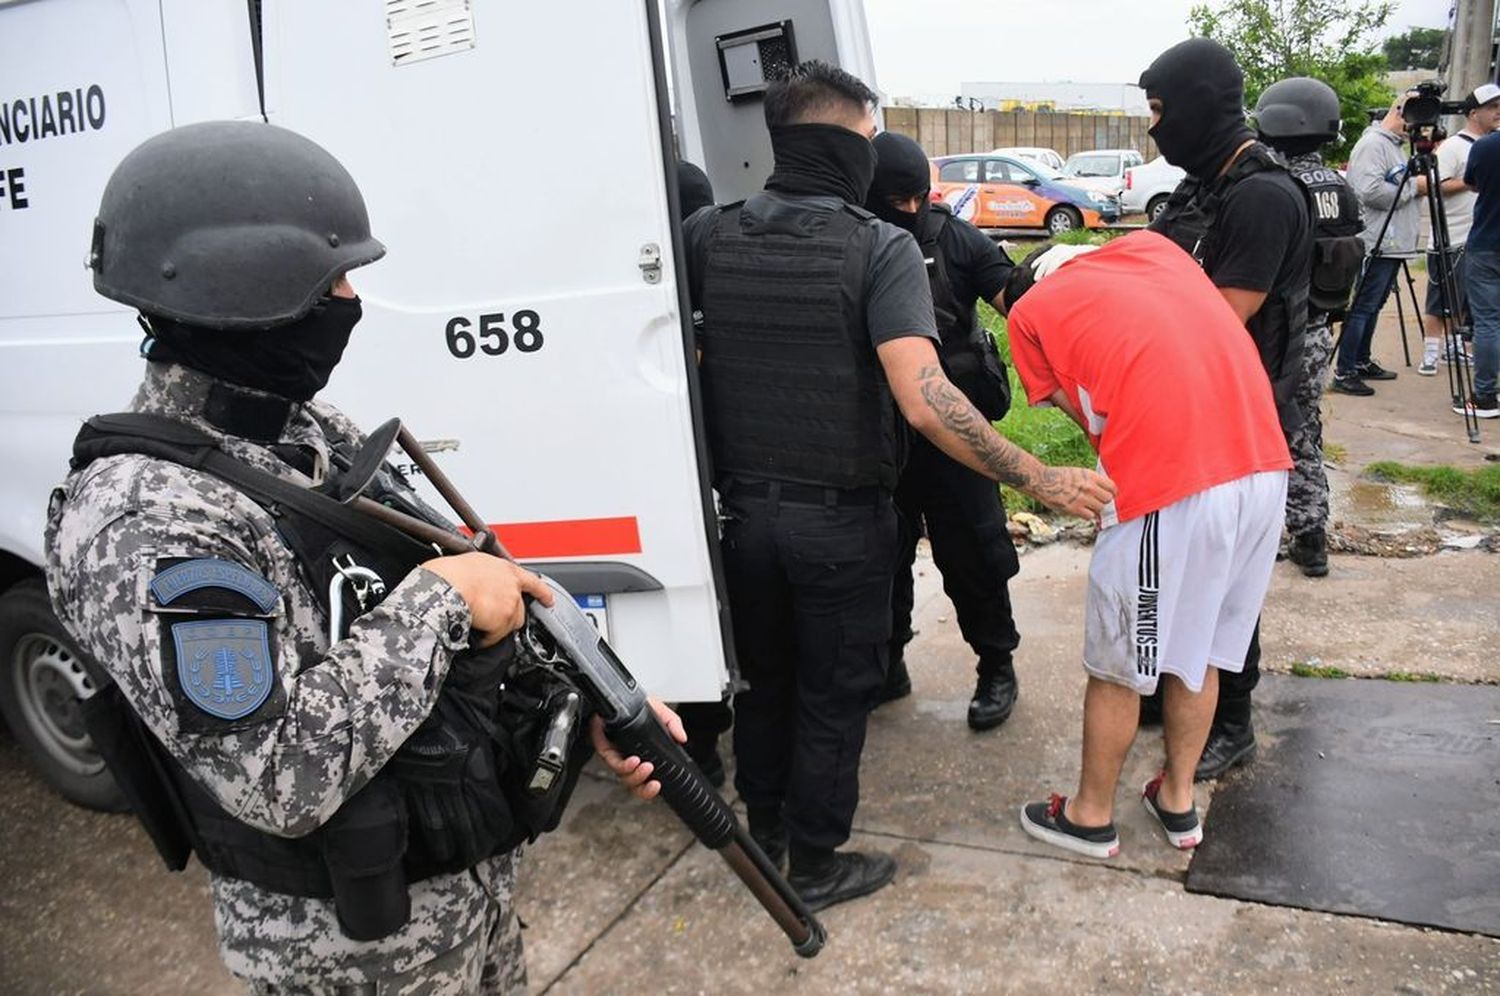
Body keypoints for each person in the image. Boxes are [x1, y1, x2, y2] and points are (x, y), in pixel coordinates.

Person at [44, 120, 682, 995]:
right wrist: (441, 604)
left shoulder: (306, 432)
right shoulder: (145, 517)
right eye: (332, 277)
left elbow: (484, 582)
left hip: (466, 899)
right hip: (349, 955)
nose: (350, 298)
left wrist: (595, 694)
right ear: (248, 287)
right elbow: (278, 774)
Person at [681, 61, 1114, 911]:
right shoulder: (876, 246)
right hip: (837, 526)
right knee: (833, 694)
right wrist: (1040, 475)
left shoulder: (707, 234)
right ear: (847, 144)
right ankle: (813, 862)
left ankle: (762, 830)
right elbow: (925, 400)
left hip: (740, 521)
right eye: (870, 137)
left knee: (765, 683)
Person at [1004, 232, 1292, 858]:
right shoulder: (1156, 249)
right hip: (1264, 466)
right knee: (1202, 648)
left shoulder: (1028, 313)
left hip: (1173, 484)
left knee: (1120, 664)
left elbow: (1085, 419)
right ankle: (1178, 802)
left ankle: (1088, 817)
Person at [1140, 38, 1312, 780]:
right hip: (1188, 411)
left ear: (1199, 105)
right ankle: (1172, 687)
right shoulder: (1202, 186)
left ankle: (1231, 718)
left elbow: (1219, 317)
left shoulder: (1262, 196)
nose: (1153, 127)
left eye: (1158, 110)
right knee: (1176, 562)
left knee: (1226, 581)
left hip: (1244, 421)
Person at [863, 130, 1022, 731]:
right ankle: (887, 666)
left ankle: (996, 665)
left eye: (918, 198)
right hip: (882, 438)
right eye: (895, 200)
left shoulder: (954, 237)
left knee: (977, 557)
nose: (909, 211)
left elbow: (1012, 294)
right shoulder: (859, 242)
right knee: (880, 562)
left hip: (955, 434)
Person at [1254, 77, 1366, 578]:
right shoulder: (1341, 189)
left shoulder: (1271, 188)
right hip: (1319, 333)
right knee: (1305, 427)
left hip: (1273, 335)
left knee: (1267, 432)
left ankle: (1282, 532)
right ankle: (1311, 532)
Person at [1335, 95, 1429, 396]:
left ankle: (1361, 361)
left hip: (1392, 242)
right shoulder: (1374, 144)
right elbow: (1368, 191)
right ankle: (1345, 370)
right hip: (1377, 240)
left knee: (1373, 305)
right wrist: (1416, 187)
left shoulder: (1393, 147)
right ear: (1401, 112)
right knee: (1363, 305)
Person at [1419, 84, 1500, 375]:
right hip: (1450, 237)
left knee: (1465, 302)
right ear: (1473, 113)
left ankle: (1453, 347)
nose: (1498, 112)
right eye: (1492, 107)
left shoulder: (1490, 145)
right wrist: (1470, 181)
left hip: (1476, 240)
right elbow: (1433, 186)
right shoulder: (1454, 146)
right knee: (1438, 299)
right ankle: (1430, 351)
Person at [1459, 116, 1500, 418]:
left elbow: (1471, 184)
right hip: (1486, 244)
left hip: (1486, 241)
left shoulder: (1484, 147)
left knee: (1487, 321)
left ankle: (1485, 396)